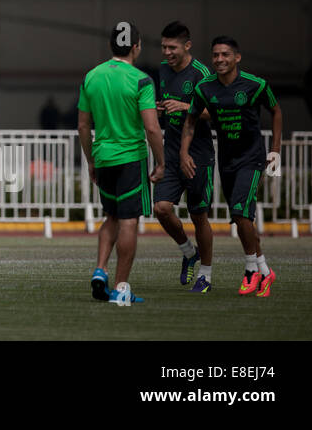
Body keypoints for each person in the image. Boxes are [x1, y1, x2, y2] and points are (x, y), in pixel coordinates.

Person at [181, 36, 282, 297]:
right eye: (215, 55)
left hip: (252, 158)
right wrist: (184, 152)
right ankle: (265, 270)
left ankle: (251, 270)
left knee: (239, 213)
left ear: (237, 57)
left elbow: (276, 111)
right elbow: (191, 119)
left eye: (225, 55)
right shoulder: (205, 88)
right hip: (226, 160)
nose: (219, 59)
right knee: (242, 217)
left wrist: (275, 151)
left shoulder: (255, 85)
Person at [76, 23, 165, 305]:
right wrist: (161, 162)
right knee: (128, 221)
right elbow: (152, 128)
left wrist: (91, 160)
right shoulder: (142, 80)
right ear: (136, 46)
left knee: (111, 216)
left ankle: (100, 270)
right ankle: (121, 287)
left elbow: (82, 125)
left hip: (103, 156)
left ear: (111, 46)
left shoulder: (91, 77)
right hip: (130, 158)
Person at [153, 21, 215, 292]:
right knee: (161, 209)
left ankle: (206, 275)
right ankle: (189, 252)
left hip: (198, 154)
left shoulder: (201, 73)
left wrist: (185, 106)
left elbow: (216, 112)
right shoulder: (163, 70)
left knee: (198, 214)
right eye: (164, 46)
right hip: (171, 152)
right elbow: (169, 107)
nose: (167, 52)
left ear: (187, 46)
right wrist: (160, 110)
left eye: (172, 47)